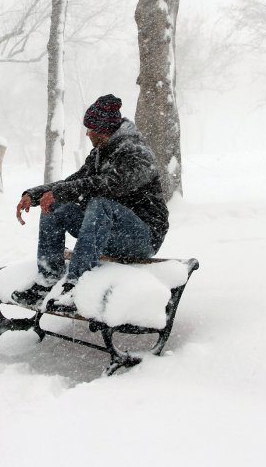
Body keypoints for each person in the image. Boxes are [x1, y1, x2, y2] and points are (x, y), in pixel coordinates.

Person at [12, 94, 169, 312]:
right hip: (108, 231)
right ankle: (47, 281)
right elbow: (75, 182)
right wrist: (37, 195)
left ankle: (75, 287)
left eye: (90, 129)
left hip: (142, 237)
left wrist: (59, 192)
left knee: (100, 203)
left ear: (104, 130)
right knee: (55, 206)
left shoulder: (137, 152)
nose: (87, 133)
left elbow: (111, 184)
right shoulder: (100, 153)